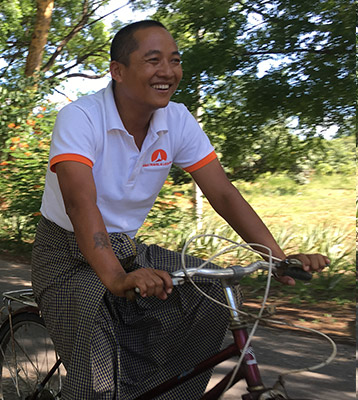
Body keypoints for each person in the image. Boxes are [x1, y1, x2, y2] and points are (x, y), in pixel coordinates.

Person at [31, 20, 330, 399]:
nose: (168, 72)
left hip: (124, 249)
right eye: (153, 60)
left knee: (210, 293)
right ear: (118, 71)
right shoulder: (81, 117)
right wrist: (115, 277)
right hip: (64, 255)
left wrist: (277, 258)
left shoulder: (177, 120)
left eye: (175, 60)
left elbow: (222, 194)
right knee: (99, 379)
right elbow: (79, 202)